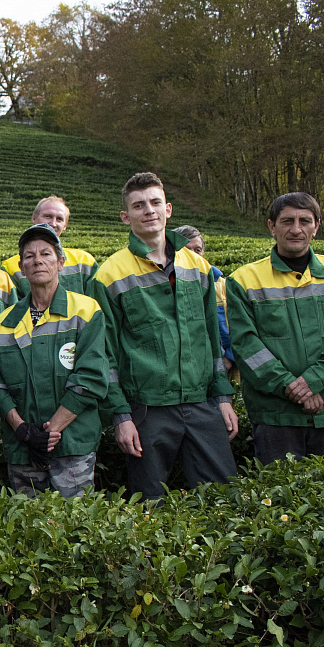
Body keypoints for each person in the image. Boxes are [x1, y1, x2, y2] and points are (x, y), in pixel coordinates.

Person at [90, 172, 238, 499]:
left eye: (155, 202)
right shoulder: (109, 274)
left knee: (225, 500)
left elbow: (211, 340)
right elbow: (106, 354)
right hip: (147, 409)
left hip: (202, 403)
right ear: (125, 216)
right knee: (148, 504)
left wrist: (223, 397)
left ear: (168, 209)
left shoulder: (198, 267)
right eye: (139, 205)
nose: (149, 210)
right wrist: (121, 416)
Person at [226, 192, 324, 464]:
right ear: (272, 226)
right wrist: (290, 387)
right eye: (287, 221)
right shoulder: (244, 280)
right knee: (280, 500)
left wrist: (313, 381)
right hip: (276, 416)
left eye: (305, 221)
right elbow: (246, 346)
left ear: (316, 226)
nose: (296, 229)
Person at [0, 224, 109, 497]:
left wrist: (50, 433)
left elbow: (91, 377)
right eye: (29, 256)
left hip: (72, 447)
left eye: (46, 254)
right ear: (22, 268)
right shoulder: (3, 323)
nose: (37, 260)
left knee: (77, 528)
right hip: (22, 449)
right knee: (29, 530)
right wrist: (23, 430)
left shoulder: (86, 311)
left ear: (61, 263)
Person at [2, 195, 97, 297]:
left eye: (59, 219)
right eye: (48, 216)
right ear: (34, 218)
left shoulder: (84, 261)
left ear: (65, 225)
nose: (53, 223)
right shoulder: (10, 267)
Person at [178, 225, 234, 373]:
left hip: (223, 368)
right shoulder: (164, 288)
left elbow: (241, 325)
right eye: (185, 250)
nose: (193, 255)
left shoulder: (223, 285)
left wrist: (229, 357)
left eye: (197, 250)